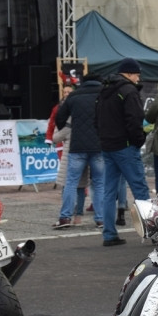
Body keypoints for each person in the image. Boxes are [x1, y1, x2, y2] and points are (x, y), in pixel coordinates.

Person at [95, 58, 149, 247]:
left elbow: (97, 118)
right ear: (129, 73)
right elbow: (135, 119)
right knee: (140, 189)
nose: (138, 77)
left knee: (109, 191)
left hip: (108, 146)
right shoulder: (128, 91)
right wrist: (139, 139)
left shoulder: (104, 90)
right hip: (125, 147)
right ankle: (151, 231)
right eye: (137, 74)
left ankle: (109, 234)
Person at [54, 74, 105, 228]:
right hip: (99, 146)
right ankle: (101, 219)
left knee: (71, 182)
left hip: (77, 146)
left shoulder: (74, 96)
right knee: (99, 183)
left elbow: (60, 117)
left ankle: (65, 218)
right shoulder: (105, 94)